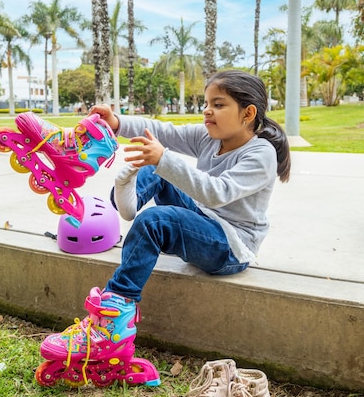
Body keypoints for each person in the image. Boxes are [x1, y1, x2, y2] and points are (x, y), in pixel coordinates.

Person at [40, 70, 291, 380]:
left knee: (155, 216)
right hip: (204, 220)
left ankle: (113, 322)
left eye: (218, 104)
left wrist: (164, 160)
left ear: (248, 113)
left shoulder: (260, 153)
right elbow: (162, 131)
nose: (207, 110)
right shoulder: (209, 137)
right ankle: (117, 196)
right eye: (205, 103)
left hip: (232, 245)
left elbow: (217, 193)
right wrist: (117, 123)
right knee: (156, 169)